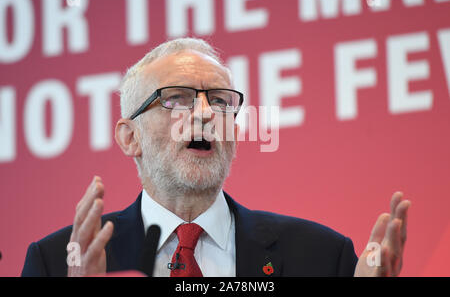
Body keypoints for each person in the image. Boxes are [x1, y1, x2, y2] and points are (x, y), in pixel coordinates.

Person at [21, 38, 410, 277]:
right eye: (178, 98)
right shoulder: (57, 263)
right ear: (129, 137)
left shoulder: (322, 257)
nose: (207, 113)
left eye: (221, 102)